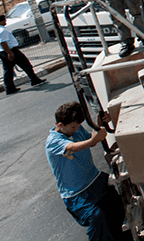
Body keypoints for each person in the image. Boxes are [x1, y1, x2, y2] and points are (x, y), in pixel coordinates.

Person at [46, 102, 126, 241]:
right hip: (76, 193)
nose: (76, 129)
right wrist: (93, 140)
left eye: (77, 126)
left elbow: (91, 140)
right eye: (73, 127)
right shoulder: (53, 141)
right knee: (97, 217)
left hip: (94, 179)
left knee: (116, 205)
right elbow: (72, 147)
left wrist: (99, 124)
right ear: (60, 125)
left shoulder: (76, 129)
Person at [0, 13, 47, 94]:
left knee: (8, 71)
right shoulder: (2, 30)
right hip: (11, 51)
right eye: (4, 20)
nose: (5, 21)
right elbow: (3, 42)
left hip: (1, 52)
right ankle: (34, 80)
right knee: (26, 65)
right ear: (0, 21)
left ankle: (9, 88)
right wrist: (10, 53)